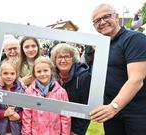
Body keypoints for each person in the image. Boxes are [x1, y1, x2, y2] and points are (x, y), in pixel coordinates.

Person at [90, 4, 146, 135]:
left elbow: (136, 79)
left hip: (137, 114)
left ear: (116, 17)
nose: (102, 22)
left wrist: (113, 107)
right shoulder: (102, 47)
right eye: (97, 20)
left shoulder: (134, 39)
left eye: (106, 16)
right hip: (112, 115)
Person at [22, 56, 71, 135]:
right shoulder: (29, 92)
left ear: (51, 71)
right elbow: (26, 117)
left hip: (54, 132)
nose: (42, 74)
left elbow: (65, 117)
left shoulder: (61, 92)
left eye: (45, 70)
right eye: (39, 71)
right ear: (34, 73)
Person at [50, 43, 91, 135]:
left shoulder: (83, 77)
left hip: (74, 126)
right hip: (54, 126)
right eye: (59, 57)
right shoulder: (51, 76)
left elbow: (86, 106)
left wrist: (76, 131)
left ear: (73, 59)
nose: (63, 60)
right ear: (55, 60)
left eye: (67, 57)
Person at [0, 60, 25, 135]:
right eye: (5, 73)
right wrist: (4, 113)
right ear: (0, 74)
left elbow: (28, 111)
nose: (9, 76)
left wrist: (19, 116)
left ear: (16, 74)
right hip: (2, 130)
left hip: (18, 129)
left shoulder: (23, 90)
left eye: (12, 73)